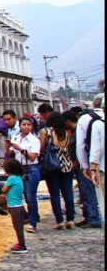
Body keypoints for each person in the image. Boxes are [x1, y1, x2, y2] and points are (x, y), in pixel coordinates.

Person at [75, 94, 104, 228]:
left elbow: (82, 145)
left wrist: (86, 166)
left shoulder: (88, 120)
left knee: (97, 195)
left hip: (99, 164)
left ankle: (95, 218)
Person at [43, 112, 77, 230]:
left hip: (52, 165)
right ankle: (71, 219)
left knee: (54, 194)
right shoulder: (67, 133)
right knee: (68, 193)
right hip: (67, 164)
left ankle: (60, 221)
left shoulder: (46, 132)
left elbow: (42, 149)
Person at [7, 115, 41, 233]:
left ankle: (33, 222)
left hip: (31, 168)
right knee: (25, 196)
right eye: (24, 125)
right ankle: (31, 217)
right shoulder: (16, 137)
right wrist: (10, 148)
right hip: (19, 169)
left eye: (29, 125)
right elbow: (11, 153)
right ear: (20, 126)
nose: (26, 127)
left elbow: (32, 157)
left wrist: (20, 149)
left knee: (31, 197)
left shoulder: (34, 140)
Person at [3, 157, 28, 253]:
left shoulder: (11, 178)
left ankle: (22, 245)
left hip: (14, 206)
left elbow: (3, 189)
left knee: (17, 226)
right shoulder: (18, 178)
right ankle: (21, 243)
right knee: (19, 226)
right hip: (19, 205)